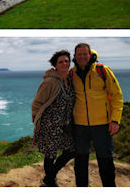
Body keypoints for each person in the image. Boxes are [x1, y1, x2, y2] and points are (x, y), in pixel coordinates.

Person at [70, 43, 124, 187]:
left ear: (90, 55)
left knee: (105, 162)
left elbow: (117, 96)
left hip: (102, 125)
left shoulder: (102, 70)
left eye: (85, 54)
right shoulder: (71, 73)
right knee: (80, 164)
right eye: (79, 54)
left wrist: (115, 120)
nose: (82, 57)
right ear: (74, 56)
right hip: (80, 126)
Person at [32, 50, 75, 187]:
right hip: (50, 125)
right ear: (55, 65)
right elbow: (37, 103)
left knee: (71, 151)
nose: (64, 63)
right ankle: (50, 182)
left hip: (65, 125)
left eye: (66, 61)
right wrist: (36, 121)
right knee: (50, 155)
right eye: (61, 61)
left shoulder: (70, 80)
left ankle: (49, 177)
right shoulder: (50, 82)